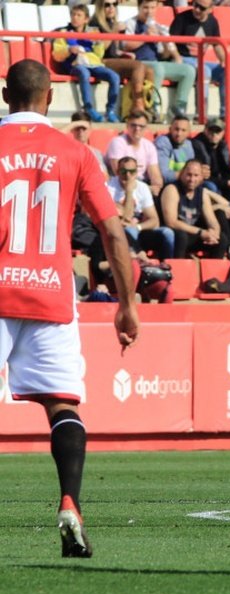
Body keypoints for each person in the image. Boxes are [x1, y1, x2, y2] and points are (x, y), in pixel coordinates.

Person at [0, 59, 139, 558]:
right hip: (50, 293)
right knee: (63, 405)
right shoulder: (76, 152)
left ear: (4, 94)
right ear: (51, 96)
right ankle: (70, 504)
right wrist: (127, 304)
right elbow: (113, 233)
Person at [122, 0, 196, 120]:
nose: (149, 11)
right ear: (139, 7)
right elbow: (125, 45)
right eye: (145, 8)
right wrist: (145, 36)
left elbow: (165, 54)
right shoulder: (131, 23)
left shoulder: (159, 26)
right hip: (139, 63)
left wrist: (165, 43)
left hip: (157, 62)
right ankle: (153, 106)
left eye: (152, 8)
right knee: (158, 68)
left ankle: (179, 108)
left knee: (188, 70)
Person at [51, 4, 121, 123]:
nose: (75, 18)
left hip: (94, 64)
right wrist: (68, 49)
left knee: (114, 76)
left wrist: (98, 43)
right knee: (84, 73)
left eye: (79, 15)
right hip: (75, 65)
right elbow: (56, 54)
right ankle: (89, 108)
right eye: (73, 15)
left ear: (86, 19)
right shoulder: (64, 32)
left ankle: (110, 111)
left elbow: (99, 55)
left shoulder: (93, 32)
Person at [90, 0, 151, 119]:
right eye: (107, 5)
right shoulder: (94, 24)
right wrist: (114, 31)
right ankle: (137, 107)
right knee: (138, 66)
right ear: (100, 7)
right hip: (99, 61)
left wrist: (124, 53)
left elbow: (114, 50)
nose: (111, 8)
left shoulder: (112, 22)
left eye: (115, 4)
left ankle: (147, 107)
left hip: (112, 59)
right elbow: (99, 49)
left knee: (149, 70)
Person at [109, 156, 175, 260]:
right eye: (123, 171)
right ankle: (135, 265)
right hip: (120, 234)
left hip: (140, 230)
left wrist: (138, 227)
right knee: (130, 231)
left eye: (132, 171)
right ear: (117, 172)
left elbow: (154, 221)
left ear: (136, 172)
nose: (128, 175)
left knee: (168, 233)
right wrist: (129, 192)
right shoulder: (109, 188)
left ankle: (168, 265)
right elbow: (125, 219)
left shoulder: (142, 187)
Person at [161, 158, 228, 258]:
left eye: (196, 175)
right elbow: (171, 222)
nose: (192, 179)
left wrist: (214, 234)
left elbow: (212, 221)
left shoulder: (202, 193)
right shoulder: (172, 189)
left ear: (201, 178)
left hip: (194, 234)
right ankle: (179, 269)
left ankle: (213, 272)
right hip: (176, 235)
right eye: (189, 175)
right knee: (181, 236)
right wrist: (200, 232)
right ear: (182, 174)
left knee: (221, 239)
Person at [169, 0, 227, 116]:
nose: (197, 9)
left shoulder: (213, 22)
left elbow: (216, 44)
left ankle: (224, 114)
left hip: (199, 61)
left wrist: (224, 61)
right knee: (204, 70)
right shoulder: (182, 19)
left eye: (202, 8)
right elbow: (170, 42)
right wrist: (177, 57)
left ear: (210, 9)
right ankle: (201, 114)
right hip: (182, 58)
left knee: (226, 72)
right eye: (195, 5)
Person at [106, 111, 165, 196]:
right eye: (133, 125)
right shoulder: (118, 143)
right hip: (120, 187)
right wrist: (146, 188)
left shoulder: (149, 146)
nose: (137, 129)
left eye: (141, 126)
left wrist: (157, 187)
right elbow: (120, 174)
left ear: (146, 128)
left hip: (142, 186)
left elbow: (155, 174)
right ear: (127, 126)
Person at [192, 118, 230, 196]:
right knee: (212, 187)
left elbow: (227, 171)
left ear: (223, 133)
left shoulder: (223, 146)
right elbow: (203, 175)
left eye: (217, 131)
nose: (214, 134)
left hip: (219, 180)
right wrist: (226, 182)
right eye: (211, 130)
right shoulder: (197, 145)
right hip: (202, 181)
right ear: (205, 130)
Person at [63, 110, 110, 179]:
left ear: (90, 129)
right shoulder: (66, 152)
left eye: (84, 128)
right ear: (72, 129)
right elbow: (53, 138)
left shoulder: (96, 152)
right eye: (77, 128)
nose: (81, 132)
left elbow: (105, 177)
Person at [155, 115, 196, 185]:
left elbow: (192, 169)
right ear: (170, 129)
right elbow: (164, 176)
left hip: (185, 183)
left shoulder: (188, 144)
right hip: (168, 185)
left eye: (183, 130)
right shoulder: (162, 142)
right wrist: (188, 174)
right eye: (176, 129)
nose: (179, 134)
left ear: (189, 132)